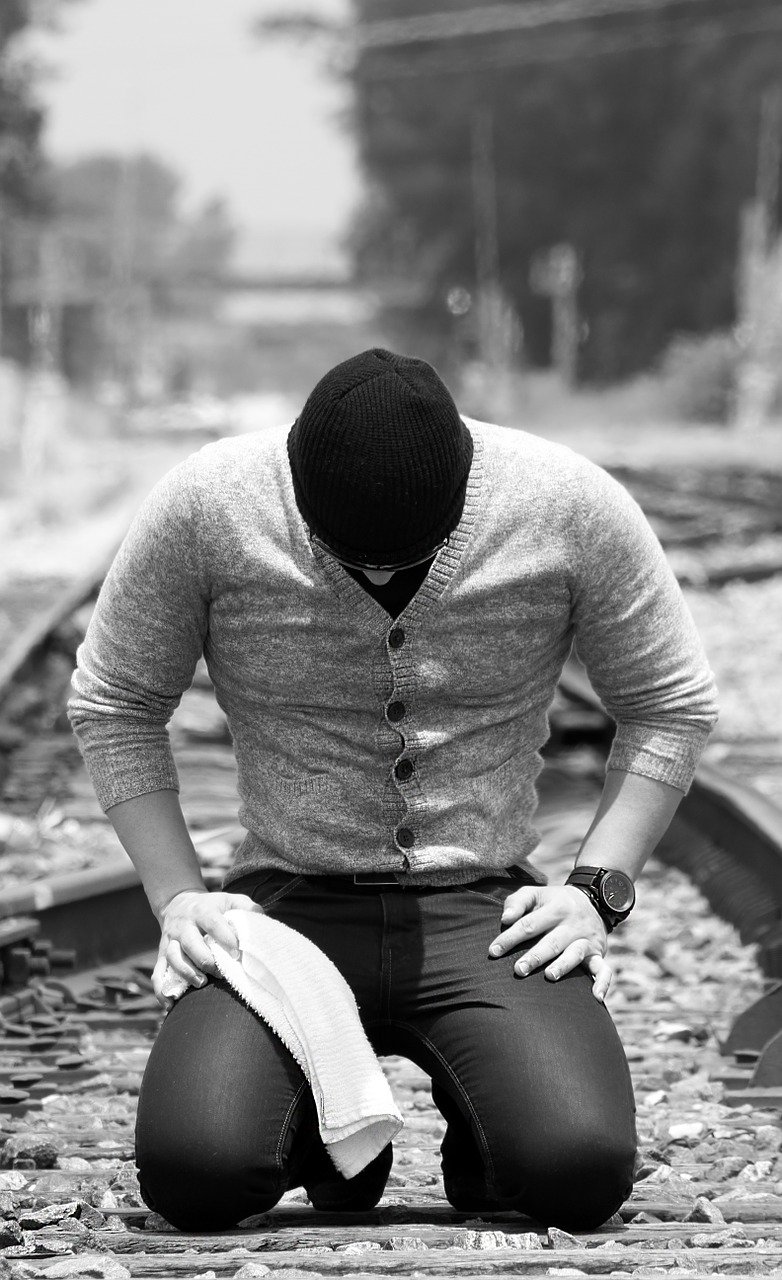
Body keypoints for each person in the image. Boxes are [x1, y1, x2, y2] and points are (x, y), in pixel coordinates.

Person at [68, 348, 718, 1233]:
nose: (376, 581)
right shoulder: (208, 504)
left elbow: (670, 704)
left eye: (403, 561)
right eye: (350, 561)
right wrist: (179, 895)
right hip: (283, 912)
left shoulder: (567, 504)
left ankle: (483, 1138)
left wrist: (595, 891)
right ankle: (341, 1140)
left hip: (485, 916)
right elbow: (114, 701)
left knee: (578, 1173)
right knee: (196, 1175)